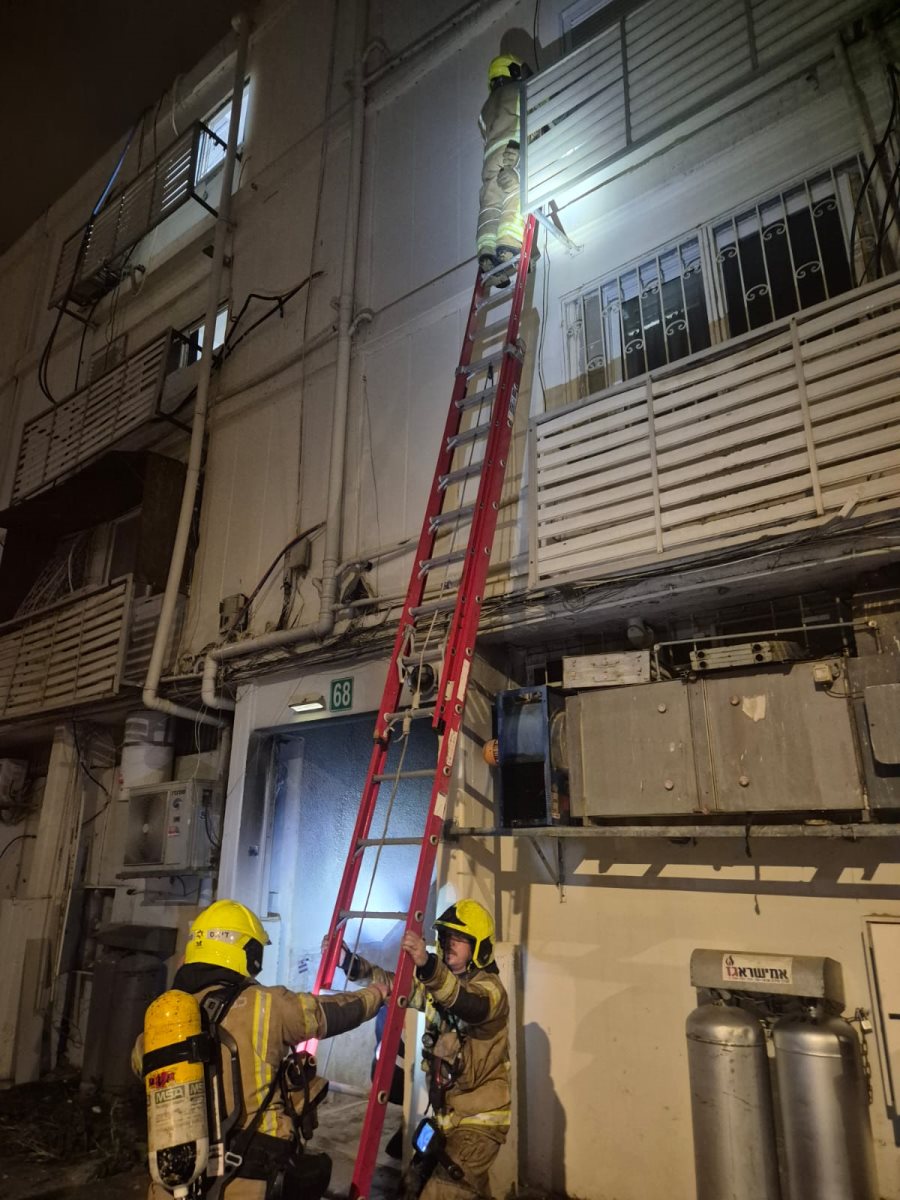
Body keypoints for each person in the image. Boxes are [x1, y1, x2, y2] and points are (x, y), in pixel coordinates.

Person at [134, 899, 388, 1200]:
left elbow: (139, 1064)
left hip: (173, 1184)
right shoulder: (266, 1006)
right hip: (246, 1182)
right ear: (245, 953)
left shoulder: (164, 1022)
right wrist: (376, 995)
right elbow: (328, 1014)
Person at [336, 900, 510, 1200]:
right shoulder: (440, 985)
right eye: (444, 936)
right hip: (446, 1118)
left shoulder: (491, 991)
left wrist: (428, 964)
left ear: (478, 946)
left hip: (479, 1120)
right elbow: (395, 985)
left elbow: (466, 1002)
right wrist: (349, 962)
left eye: (457, 938)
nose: (447, 943)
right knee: (414, 1187)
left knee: (438, 1193)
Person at [477, 55, 529, 279]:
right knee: (514, 189)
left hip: (490, 159)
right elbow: (535, 116)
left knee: (491, 203)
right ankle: (508, 246)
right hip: (512, 149)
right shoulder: (521, 88)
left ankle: (487, 251)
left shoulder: (485, 109)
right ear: (514, 72)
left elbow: (484, 134)